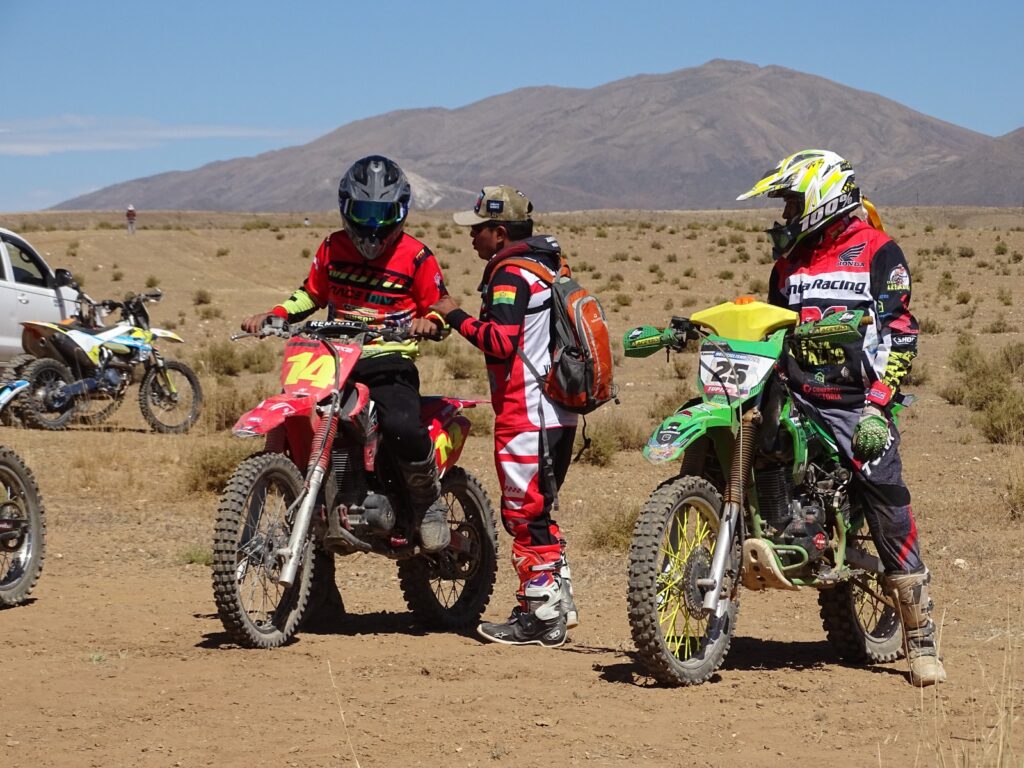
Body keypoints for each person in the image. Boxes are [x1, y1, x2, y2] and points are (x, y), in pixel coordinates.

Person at [737, 149, 946, 687]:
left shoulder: (878, 250)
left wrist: (878, 403)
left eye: (791, 203)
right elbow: (773, 327)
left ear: (820, 198)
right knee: (741, 441)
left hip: (856, 402)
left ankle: (921, 638)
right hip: (798, 394)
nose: (784, 215)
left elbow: (900, 331)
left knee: (886, 498)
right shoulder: (789, 263)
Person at [241, 155, 450, 552]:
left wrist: (431, 323)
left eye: (382, 214)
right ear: (346, 208)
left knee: (402, 424)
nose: (372, 225)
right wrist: (277, 314)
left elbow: (441, 305)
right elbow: (312, 294)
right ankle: (316, 539)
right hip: (333, 356)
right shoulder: (332, 248)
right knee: (302, 422)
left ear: (400, 211)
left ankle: (428, 501)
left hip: (388, 358)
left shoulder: (416, 256)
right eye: (363, 212)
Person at [431, 186, 579, 648]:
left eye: (478, 229)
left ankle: (539, 617)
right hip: (557, 412)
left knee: (524, 514)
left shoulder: (511, 275)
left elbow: (499, 342)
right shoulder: (547, 266)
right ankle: (555, 605)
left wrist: (452, 313)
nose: (471, 237)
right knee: (538, 511)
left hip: (527, 412)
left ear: (499, 232)